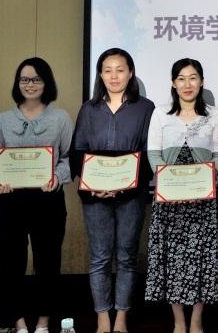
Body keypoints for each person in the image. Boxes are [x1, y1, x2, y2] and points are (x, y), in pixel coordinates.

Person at [70, 48, 155, 333]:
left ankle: (121, 317)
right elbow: (77, 152)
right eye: (107, 70)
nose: (114, 76)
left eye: (120, 70)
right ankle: (102, 317)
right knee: (99, 257)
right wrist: (95, 184)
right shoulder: (89, 109)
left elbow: (149, 153)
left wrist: (124, 184)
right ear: (100, 74)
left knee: (127, 256)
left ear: (130, 73)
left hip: (132, 195)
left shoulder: (145, 108)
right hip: (95, 195)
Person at [0, 58, 72, 333]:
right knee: (11, 265)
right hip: (10, 202)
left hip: (48, 202)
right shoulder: (3, 120)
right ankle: (19, 323)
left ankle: (44, 323)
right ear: (17, 83)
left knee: (48, 264)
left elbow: (69, 157)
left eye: (36, 79)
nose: (30, 84)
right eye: (24, 79)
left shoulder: (60, 118)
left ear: (46, 83)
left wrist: (57, 177)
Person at [145, 58, 218, 333]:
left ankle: (196, 321)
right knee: (172, 259)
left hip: (203, 199)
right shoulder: (160, 113)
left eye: (193, 78)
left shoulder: (213, 115)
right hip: (169, 201)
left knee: (203, 258)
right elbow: (153, 153)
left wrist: (204, 182)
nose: (187, 84)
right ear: (173, 83)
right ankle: (179, 322)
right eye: (181, 78)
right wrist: (169, 185)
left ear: (201, 82)